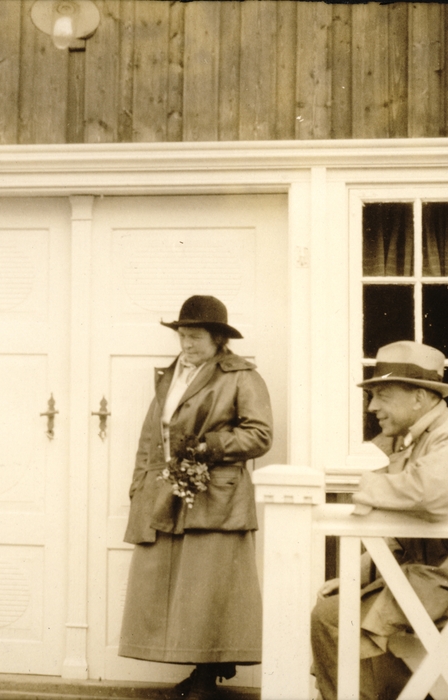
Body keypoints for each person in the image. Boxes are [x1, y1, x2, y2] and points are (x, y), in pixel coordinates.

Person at [310, 341, 448, 700]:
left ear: (419, 397)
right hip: (445, 581)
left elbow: (428, 494)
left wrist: (368, 486)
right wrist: (357, 576)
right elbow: (405, 539)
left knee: (333, 619)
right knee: (333, 612)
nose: (372, 407)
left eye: (383, 396)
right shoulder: (418, 442)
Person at [118, 295, 272, 700]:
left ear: (219, 339)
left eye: (196, 338)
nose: (186, 345)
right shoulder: (171, 376)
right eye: (182, 337)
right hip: (166, 494)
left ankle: (206, 675)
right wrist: (139, 487)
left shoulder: (241, 376)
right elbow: (152, 436)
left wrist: (208, 447)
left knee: (208, 589)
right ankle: (201, 671)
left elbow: (260, 434)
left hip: (216, 497)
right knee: (174, 589)